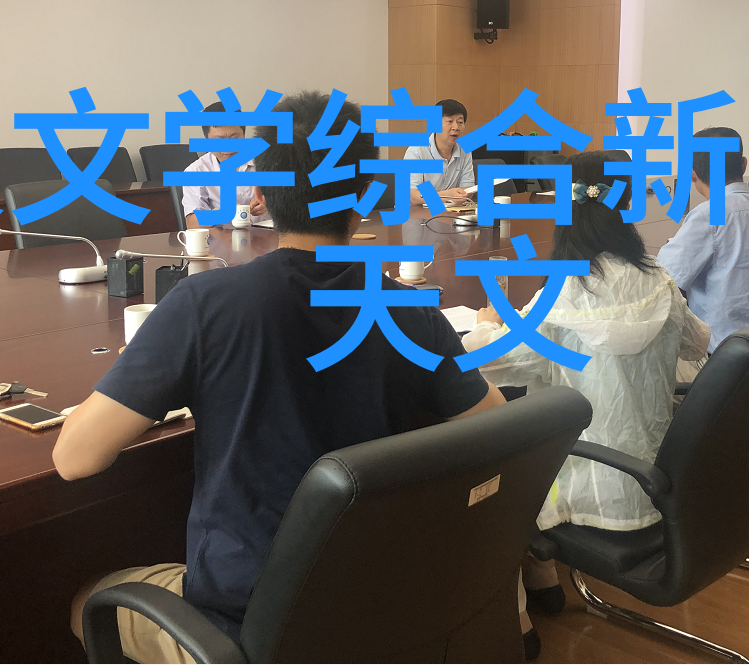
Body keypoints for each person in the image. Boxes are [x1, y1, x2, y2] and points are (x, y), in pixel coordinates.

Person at [54, 90, 506, 664]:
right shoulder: (412, 312)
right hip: (379, 597)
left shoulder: (204, 304)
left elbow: (75, 458)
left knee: (85, 602)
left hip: (245, 619)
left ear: (260, 193)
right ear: (366, 194)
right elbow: (499, 427)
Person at [462, 150, 710, 654]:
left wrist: (486, 324)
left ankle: (521, 602)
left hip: (585, 482)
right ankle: (543, 574)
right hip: (658, 479)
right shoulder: (660, 280)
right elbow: (697, 345)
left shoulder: (564, 292)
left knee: (489, 460)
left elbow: (495, 362)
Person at [655, 127, 749, 370]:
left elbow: (663, 281)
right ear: (743, 165)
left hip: (725, 356)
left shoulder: (707, 215)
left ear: (692, 175)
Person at [181, 101, 268, 227]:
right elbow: (192, 223)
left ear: (244, 134)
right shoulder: (195, 172)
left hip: (269, 235)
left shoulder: (267, 159)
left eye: (234, 138)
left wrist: (271, 203)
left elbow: (293, 199)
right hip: (223, 237)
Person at [403, 98, 475, 205]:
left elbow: (467, 188)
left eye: (460, 122)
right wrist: (447, 195)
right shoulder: (417, 151)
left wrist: (463, 195)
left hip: (451, 212)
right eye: (450, 121)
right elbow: (412, 195)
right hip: (417, 212)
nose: (456, 127)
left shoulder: (464, 151)